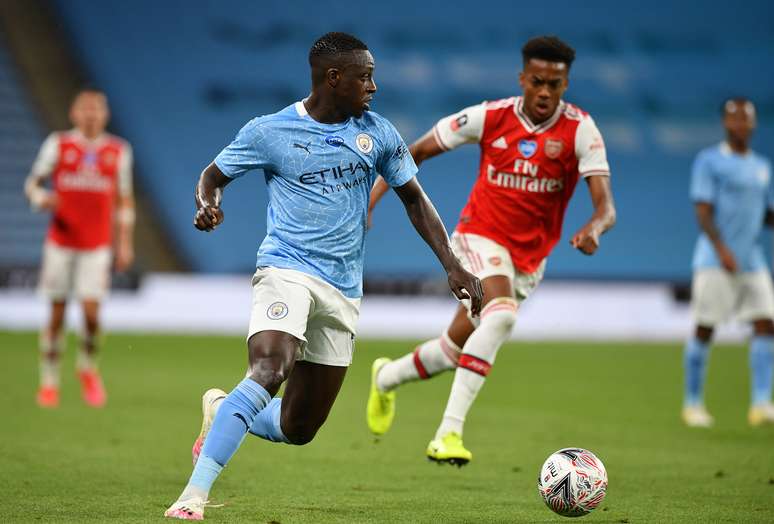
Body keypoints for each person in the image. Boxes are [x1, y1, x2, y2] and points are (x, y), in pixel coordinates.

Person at [164, 32, 482, 520]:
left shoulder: (377, 133)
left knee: (298, 427)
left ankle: (227, 410)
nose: (374, 86)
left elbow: (414, 199)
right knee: (270, 368)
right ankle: (193, 495)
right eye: (365, 76)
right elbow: (212, 175)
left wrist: (452, 263)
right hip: (286, 269)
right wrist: (208, 204)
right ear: (334, 79)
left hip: (343, 288)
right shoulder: (270, 131)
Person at [366, 35, 616, 465]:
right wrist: (370, 201)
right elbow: (416, 151)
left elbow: (606, 206)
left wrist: (595, 227)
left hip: (528, 260)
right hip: (477, 238)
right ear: (522, 78)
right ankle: (448, 434)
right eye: (536, 81)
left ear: (565, 85)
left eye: (554, 85)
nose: (544, 92)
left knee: (452, 350)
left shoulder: (581, 130)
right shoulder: (489, 116)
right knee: (501, 316)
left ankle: (386, 377)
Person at [24, 88, 135, 408]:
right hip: (61, 243)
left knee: (90, 314)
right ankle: (49, 381)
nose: (91, 114)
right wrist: (40, 198)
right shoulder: (59, 144)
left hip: (97, 245)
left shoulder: (118, 150)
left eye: (97, 109)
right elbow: (33, 182)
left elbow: (124, 199)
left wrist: (124, 242)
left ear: (105, 114)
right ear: (74, 113)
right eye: (85, 108)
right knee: (57, 314)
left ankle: (87, 368)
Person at [682, 98, 774, 428]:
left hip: (752, 260)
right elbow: (703, 211)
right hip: (714, 260)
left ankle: (761, 403)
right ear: (725, 123)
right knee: (706, 328)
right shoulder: (709, 161)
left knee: (766, 323)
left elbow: (765, 214)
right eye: (734, 118)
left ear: (753, 124)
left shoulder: (762, 166)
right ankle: (692, 404)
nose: (740, 124)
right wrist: (721, 248)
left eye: (746, 118)